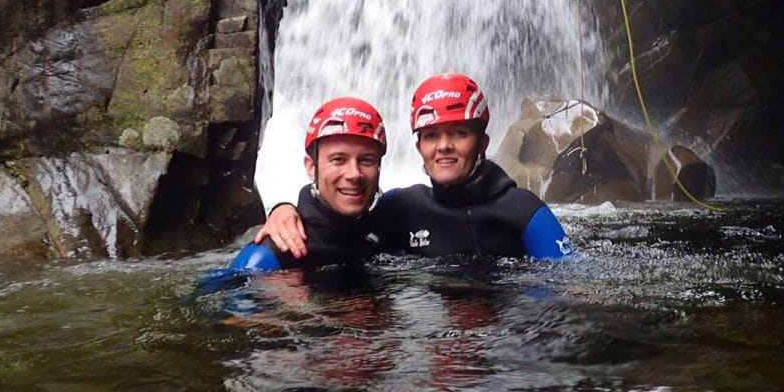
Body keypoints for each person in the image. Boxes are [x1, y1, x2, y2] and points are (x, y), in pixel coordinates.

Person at [255, 73, 574, 261]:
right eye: (431, 135)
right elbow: (336, 224)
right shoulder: (398, 207)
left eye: (459, 133)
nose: (444, 146)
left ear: (482, 143)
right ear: (419, 146)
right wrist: (283, 208)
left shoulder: (524, 211)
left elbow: (572, 287)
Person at [228, 97, 387, 270]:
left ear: (379, 166)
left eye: (366, 160)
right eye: (338, 159)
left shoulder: (387, 227)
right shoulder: (270, 255)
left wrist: (281, 206)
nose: (354, 174)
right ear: (311, 167)